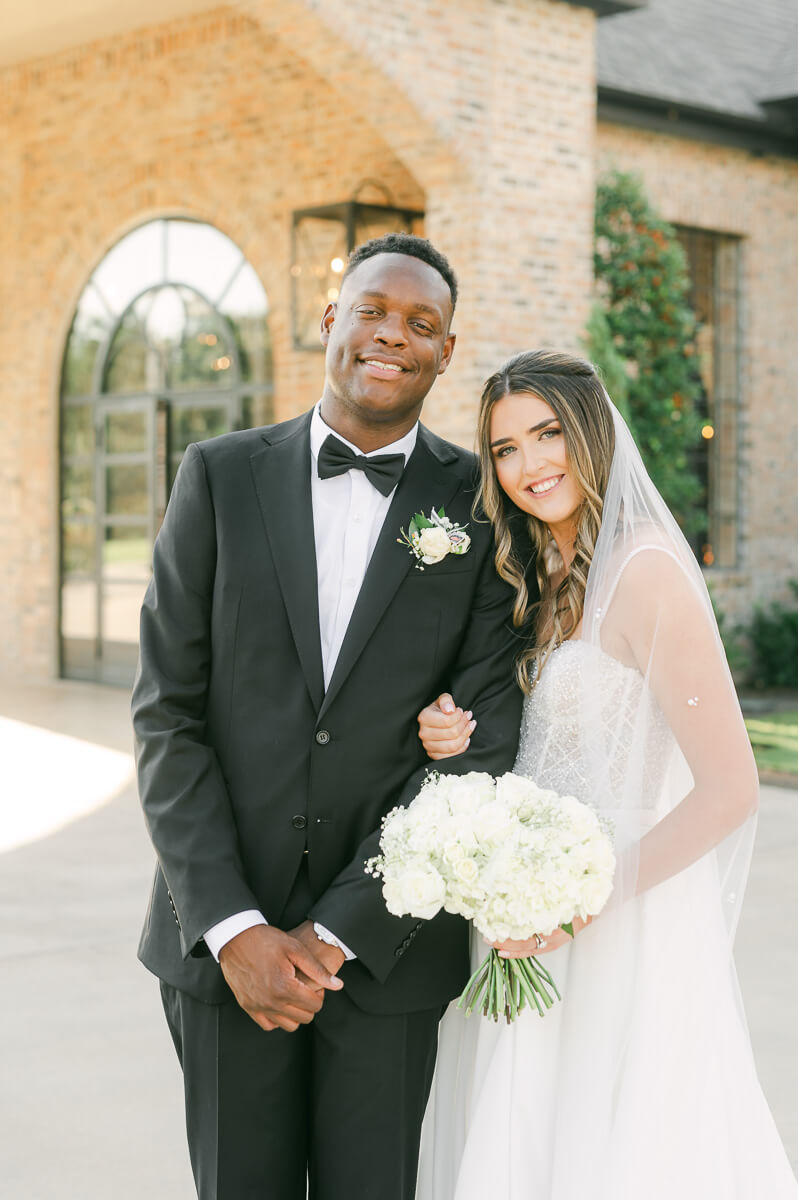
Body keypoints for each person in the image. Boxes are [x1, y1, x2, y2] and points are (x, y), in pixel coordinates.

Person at [131, 233, 536, 1200]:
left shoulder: (482, 508)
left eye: (421, 324)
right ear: (330, 319)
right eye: (373, 310)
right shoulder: (219, 476)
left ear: (446, 350)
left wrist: (336, 934)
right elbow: (166, 716)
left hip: (390, 949)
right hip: (223, 948)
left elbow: (480, 743)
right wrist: (235, 928)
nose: (392, 335)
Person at [414, 350, 798, 1199]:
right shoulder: (535, 576)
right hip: (525, 913)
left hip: (618, 919)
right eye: (505, 449)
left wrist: (582, 906)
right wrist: (451, 731)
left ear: (591, 433)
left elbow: (731, 789)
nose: (529, 465)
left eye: (546, 434)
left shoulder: (646, 570)